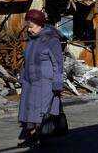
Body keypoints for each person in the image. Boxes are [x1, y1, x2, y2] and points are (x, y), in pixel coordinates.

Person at [17, 9, 64, 148]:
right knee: (29, 110)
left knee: (41, 112)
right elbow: (27, 60)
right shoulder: (31, 40)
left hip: (45, 83)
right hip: (29, 81)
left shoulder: (51, 40)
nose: (29, 30)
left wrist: (57, 83)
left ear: (40, 24)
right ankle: (32, 137)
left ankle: (40, 138)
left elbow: (58, 63)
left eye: (31, 27)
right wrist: (22, 76)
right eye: (28, 27)